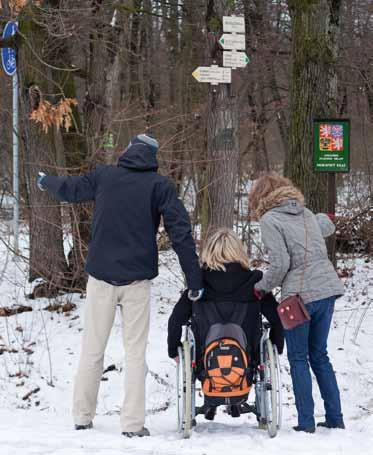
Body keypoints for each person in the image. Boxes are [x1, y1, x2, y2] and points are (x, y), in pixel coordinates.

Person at [37, 133, 203, 437]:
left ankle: (82, 416)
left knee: (92, 349)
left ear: (128, 151)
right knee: (135, 353)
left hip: (100, 278)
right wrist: (195, 280)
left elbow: (71, 190)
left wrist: (46, 181)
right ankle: (132, 425)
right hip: (136, 282)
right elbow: (180, 233)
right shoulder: (160, 187)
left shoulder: (105, 176)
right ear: (153, 158)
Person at [248, 173, 345, 433]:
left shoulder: (270, 220)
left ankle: (306, 423)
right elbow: (324, 226)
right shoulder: (305, 213)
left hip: (299, 297)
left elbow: (280, 264)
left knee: (299, 357)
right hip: (327, 289)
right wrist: (327, 218)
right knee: (320, 355)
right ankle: (335, 418)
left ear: (259, 197)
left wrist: (261, 287)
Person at [167, 228, 284, 420]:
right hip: (248, 362)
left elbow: (175, 320)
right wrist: (277, 346)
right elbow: (276, 319)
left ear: (209, 251)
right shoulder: (255, 281)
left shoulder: (199, 283)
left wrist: (173, 349)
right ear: (239, 251)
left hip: (205, 364)